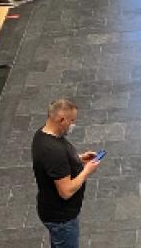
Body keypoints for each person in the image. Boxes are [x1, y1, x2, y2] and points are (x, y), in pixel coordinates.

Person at [32, 99, 100, 248]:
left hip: (52, 210)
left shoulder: (42, 134)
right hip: (61, 218)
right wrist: (86, 171)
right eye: (72, 121)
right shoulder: (53, 150)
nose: (73, 125)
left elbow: (56, 165)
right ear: (61, 120)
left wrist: (78, 159)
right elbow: (66, 191)